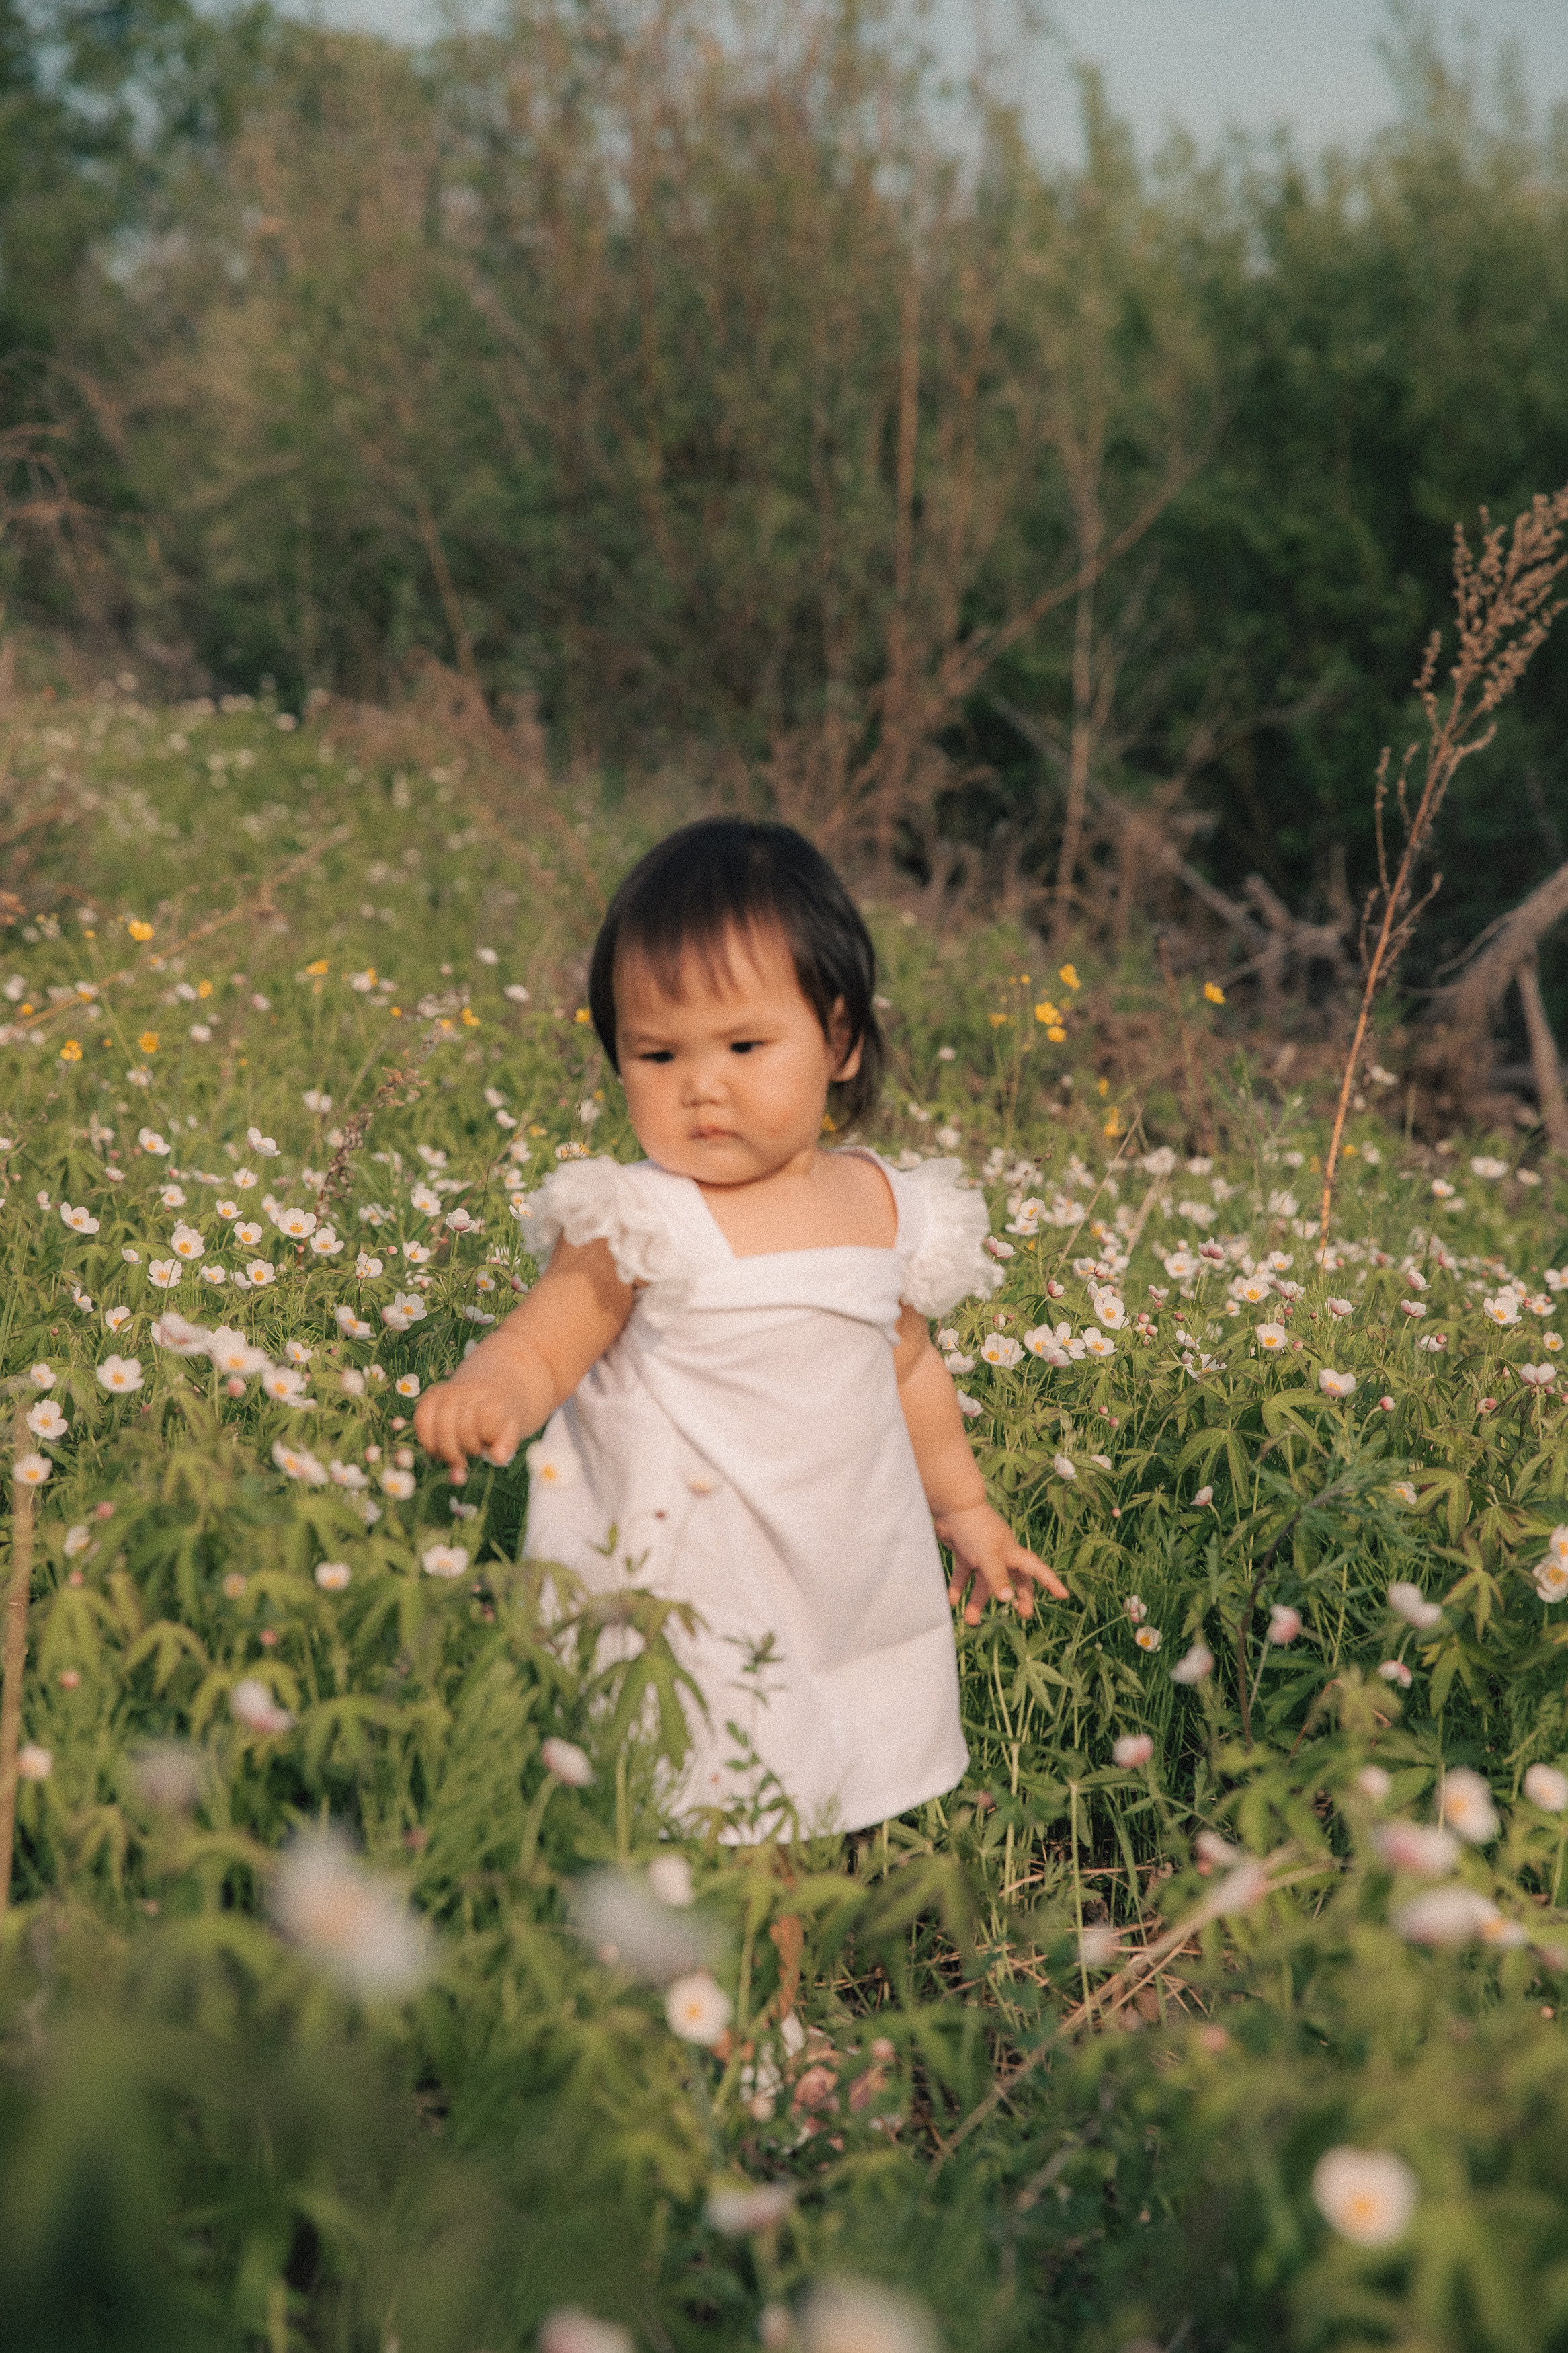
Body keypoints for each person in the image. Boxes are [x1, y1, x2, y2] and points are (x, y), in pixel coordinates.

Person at [414, 817, 1066, 1834]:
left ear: (839, 1040)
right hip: (693, 1576)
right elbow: (546, 1340)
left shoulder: (881, 1205)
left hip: (845, 1562)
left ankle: (795, 1947)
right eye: (657, 1052)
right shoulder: (638, 1219)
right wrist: (492, 1387)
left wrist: (966, 1506)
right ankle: (757, 1989)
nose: (701, 1085)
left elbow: (906, 1366)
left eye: (745, 1045)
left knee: (837, 1760)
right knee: (729, 1803)